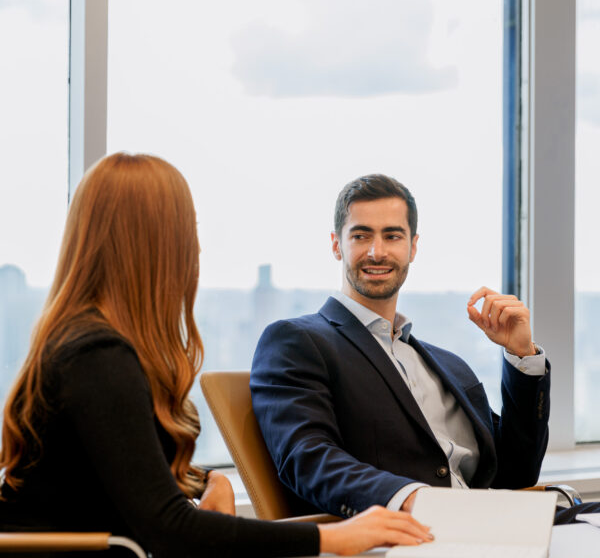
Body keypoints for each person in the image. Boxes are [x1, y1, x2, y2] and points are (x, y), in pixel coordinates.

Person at [0, 156, 434, 558]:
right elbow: (169, 528)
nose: (197, 250)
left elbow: (128, 474)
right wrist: (332, 537)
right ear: (150, 244)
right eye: (188, 230)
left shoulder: (91, 345)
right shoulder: (98, 358)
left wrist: (210, 479)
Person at [250, 173, 551, 518]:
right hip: (403, 535)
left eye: (392, 236)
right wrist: (416, 501)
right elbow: (307, 459)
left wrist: (522, 357)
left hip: (493, 527)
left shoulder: (449, 365)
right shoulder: (297, 342)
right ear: (336, 245)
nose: (377, 252)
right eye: (361, 235)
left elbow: (518, 473)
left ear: (413, 247)